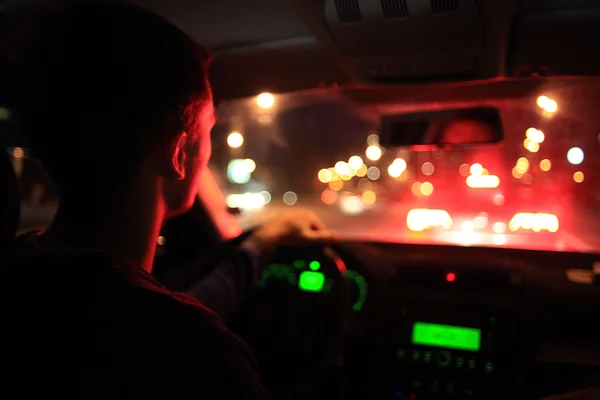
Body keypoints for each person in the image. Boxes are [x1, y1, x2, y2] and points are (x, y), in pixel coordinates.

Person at [2, 2, 334, 398]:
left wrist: (261, 242)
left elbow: (144, 312)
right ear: (178, 154)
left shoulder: (18, 279)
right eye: (208, 130)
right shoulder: (198, 355)